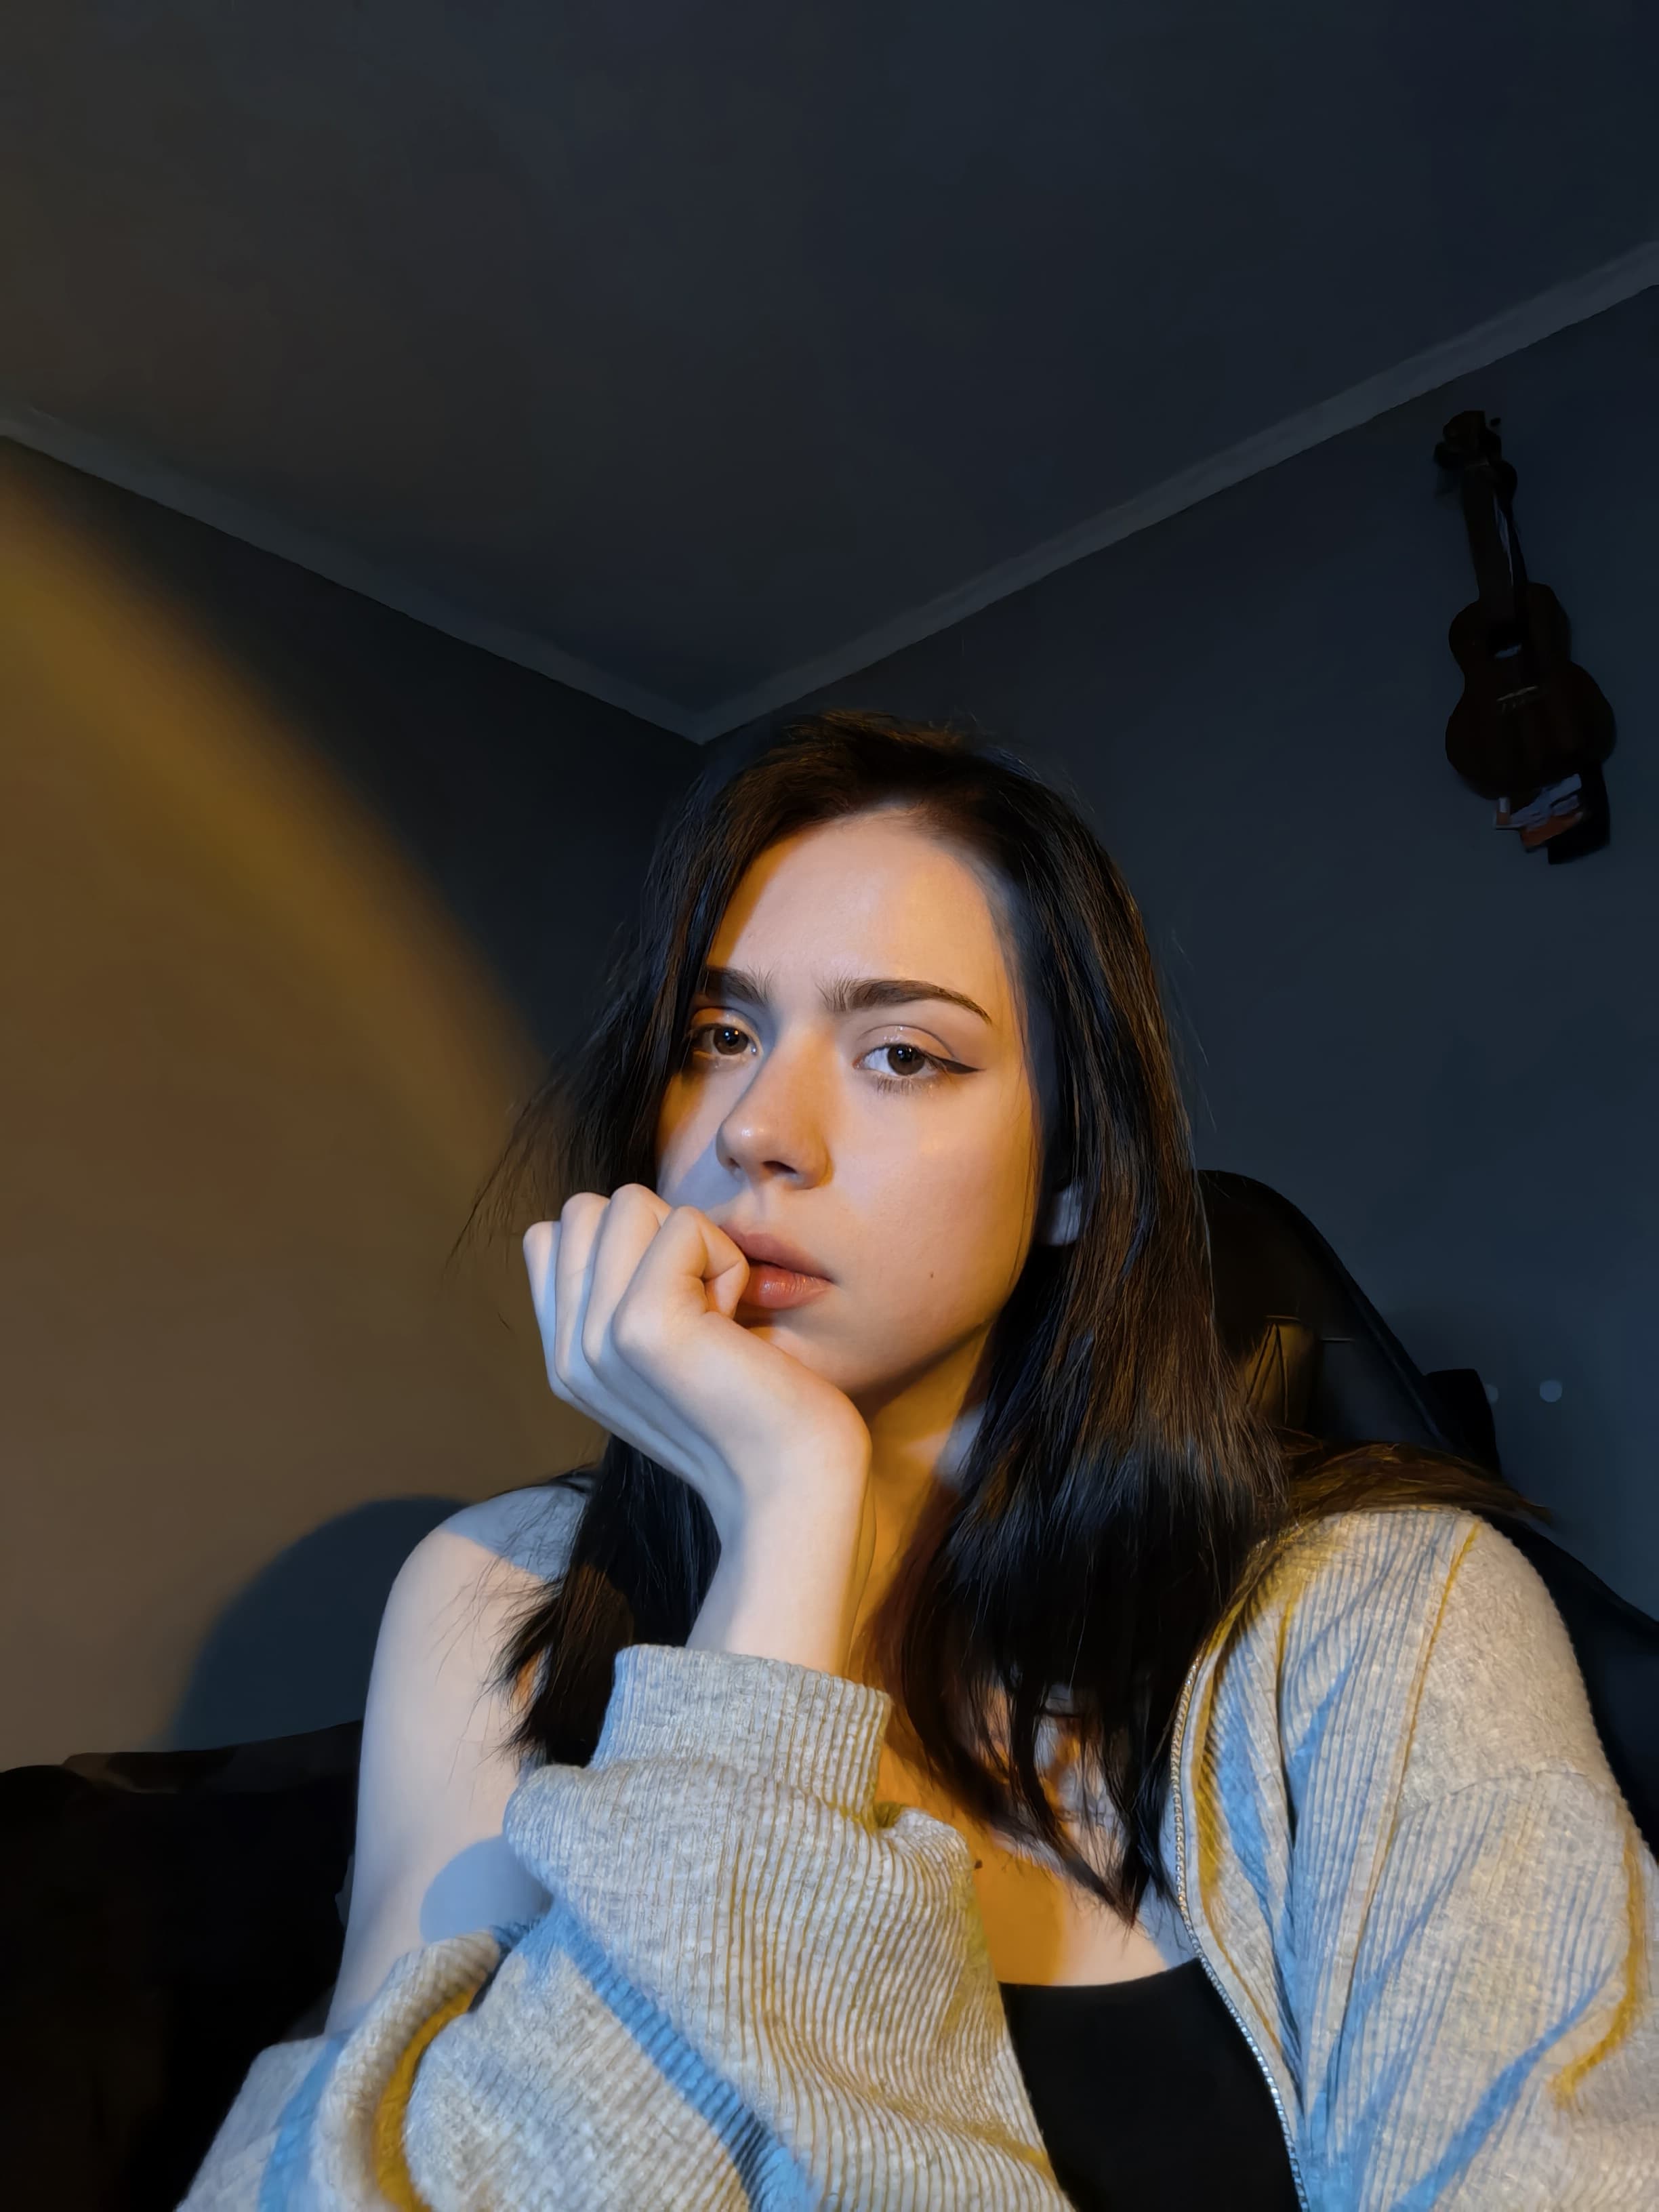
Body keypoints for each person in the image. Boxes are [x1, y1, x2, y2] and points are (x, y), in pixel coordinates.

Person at [183, 713, 1658, 2209]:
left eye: (902, 1053)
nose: (760, 1130)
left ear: (1070, 1176)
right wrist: (787, 1526)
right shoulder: (502, 1598)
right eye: (719, 1038)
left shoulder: (1389, 1621)